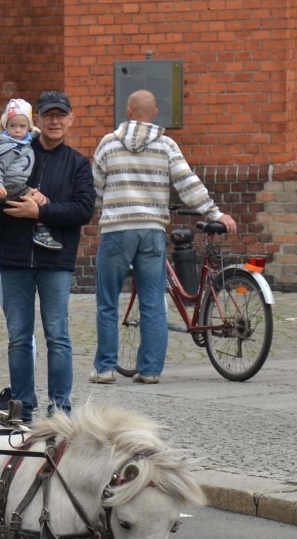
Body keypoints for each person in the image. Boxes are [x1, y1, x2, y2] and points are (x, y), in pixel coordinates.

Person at [89, 89, 237, 385]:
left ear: (128, 111)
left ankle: (105, 368)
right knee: (153, 302)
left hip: (117, 230)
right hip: (152, 231)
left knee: (107, 301)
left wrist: (111, 207)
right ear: (155, 113)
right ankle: (150, 370)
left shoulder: (108, 143)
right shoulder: (166, 145)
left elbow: (96, 187)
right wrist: (214, 212)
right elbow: (187, 182)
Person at [0, 90, 95, 423]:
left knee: (58, 336)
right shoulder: (14, 152)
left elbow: (83, 210)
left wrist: (41, 211)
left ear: (70, 120)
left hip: (56, 261)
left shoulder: (77, 164)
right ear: (37, 120)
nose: (55, 121)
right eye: (49, 115)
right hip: (15, 259)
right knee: (18, 338)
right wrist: (10, 203)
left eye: (61, 115)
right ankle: (22, 406)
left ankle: (60, 409)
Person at [0, 98, 59, 252]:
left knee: (5, 216)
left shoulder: (25, 143)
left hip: (13, 187)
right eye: (13, 126)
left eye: (22, 126)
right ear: (5, 126)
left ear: (29, 127)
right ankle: (42, 232)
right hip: (11, 186)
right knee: (42, 200)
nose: (17, 130)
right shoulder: (8, 147)